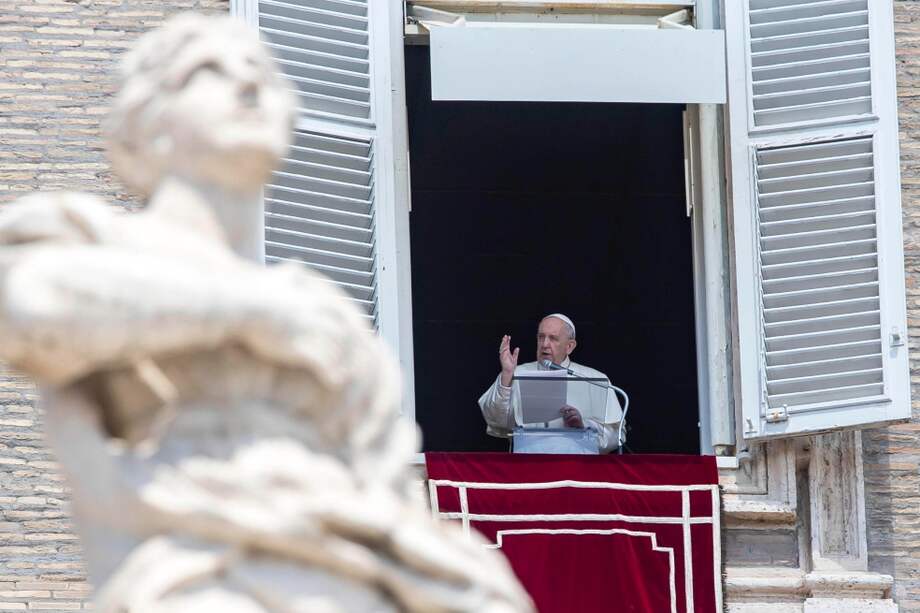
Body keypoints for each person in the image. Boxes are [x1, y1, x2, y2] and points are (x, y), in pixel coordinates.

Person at [478, 314, 623, 453]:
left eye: (553, 338)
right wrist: (507, 375)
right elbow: (497, 421)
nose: (545, 344)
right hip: (527, 467)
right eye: (541, 337)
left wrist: (583, 425)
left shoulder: (594, 379)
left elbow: (616, 435)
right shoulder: (517, 373)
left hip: (578, 470)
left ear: (569, 346)